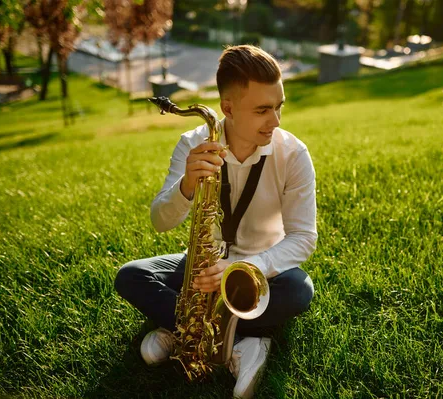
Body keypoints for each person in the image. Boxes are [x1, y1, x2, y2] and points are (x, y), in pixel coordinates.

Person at [114, 45, 317, 399]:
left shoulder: (294, 154)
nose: (276, 121)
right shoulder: (192, 143)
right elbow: (160, 221)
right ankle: (240, 343)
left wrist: (242, 267)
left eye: (279, 106)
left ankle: (181, 331)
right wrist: (186, 186)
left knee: (300, 291)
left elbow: (303, 238)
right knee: (131, 276)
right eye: (262, 110)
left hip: (259, 269)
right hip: (202, 269)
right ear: (228, 108)